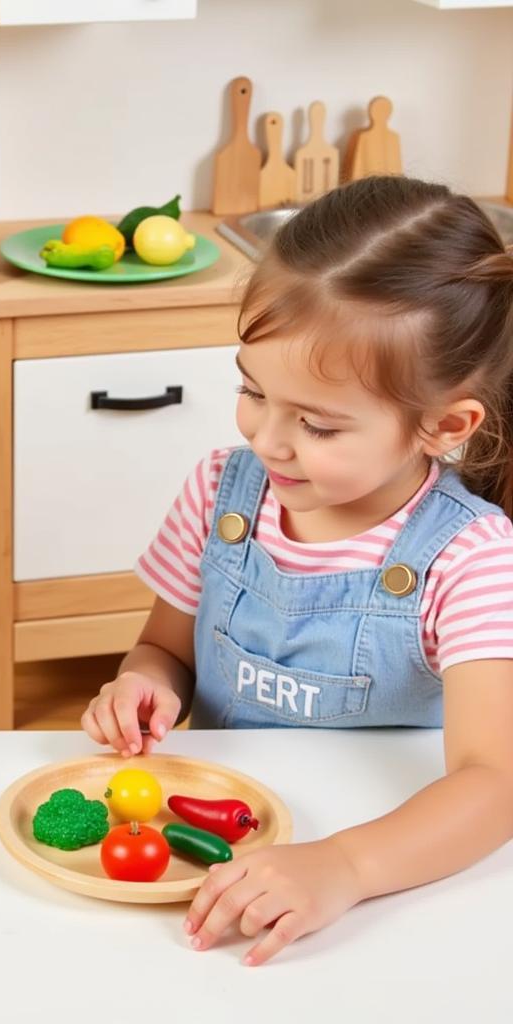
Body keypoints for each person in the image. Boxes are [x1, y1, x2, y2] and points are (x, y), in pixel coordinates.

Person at [82, 175, 513, 964]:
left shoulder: (472, 559)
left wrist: (346, 865)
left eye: (316, 424)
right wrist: (141, 686)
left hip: (386, 867)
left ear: (443, 425)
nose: (270, 440)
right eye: (252, 390)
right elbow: (165, 652)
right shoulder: (221, 491)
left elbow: (494, 783)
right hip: (215, 851)